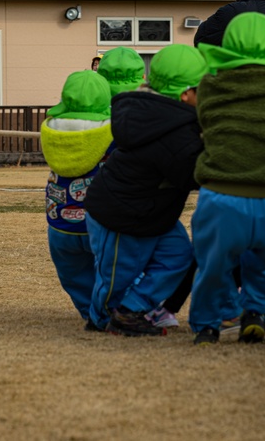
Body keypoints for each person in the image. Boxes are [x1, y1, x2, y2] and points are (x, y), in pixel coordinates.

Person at [187, 12, 265, 346]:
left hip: (224, 193)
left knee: (213, 264)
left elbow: (206, 121)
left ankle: (209, 324)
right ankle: (257, 313)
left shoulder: (211, 84)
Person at [83, 44, 207, 336]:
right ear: (186, 94)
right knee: (116, 275)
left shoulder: (151, 112)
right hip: (120, 215)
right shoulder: (174, 132)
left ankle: (131, 307)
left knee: (178, 256)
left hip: (152, 213)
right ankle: (102, 318)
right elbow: (192, 173)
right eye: (204, 88)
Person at [39, 70, 114, 324]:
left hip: (59, 220)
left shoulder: (51, 127)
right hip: (99, 221)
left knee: (73, 274)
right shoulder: (111, 129)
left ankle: (88, 312)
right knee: (108, 270)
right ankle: (104, 314)